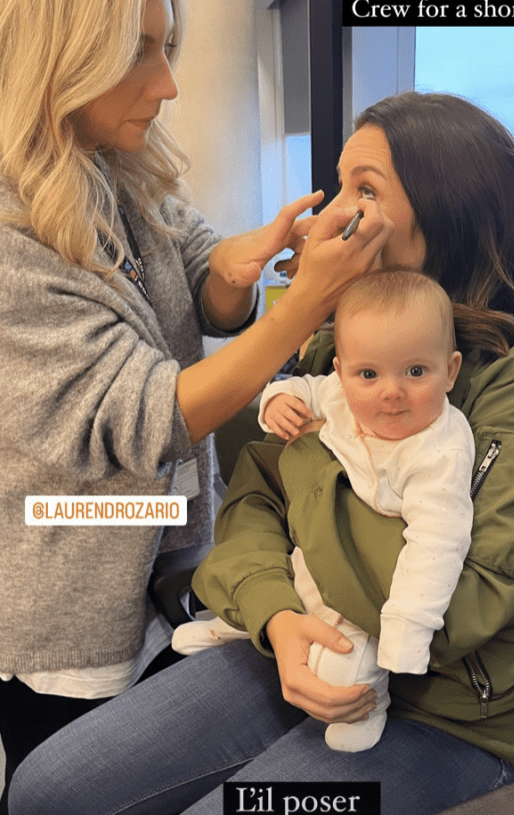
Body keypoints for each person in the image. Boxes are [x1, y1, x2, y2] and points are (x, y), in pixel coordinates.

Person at [0, 0, 391, 815]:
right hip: (56, 568)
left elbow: (186, 263)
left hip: (155, 550)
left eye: (167, 46)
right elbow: (140, 418)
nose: (168, 83)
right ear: (48, 47)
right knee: (69, 785)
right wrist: (302, 308)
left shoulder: (105, 156)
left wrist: (248, 262)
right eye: (138, 51)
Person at [9, 91, 514, 815]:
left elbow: (454, 610)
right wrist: (277, 618)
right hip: (298, 638)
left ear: (447, 210)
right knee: (46, 790)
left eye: (365, 191)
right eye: (340, 186)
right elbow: (253, 498)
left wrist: (313, 457)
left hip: (447, 714)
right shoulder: (338, 342)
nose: (325, 219)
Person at [172, 269, 475, 754]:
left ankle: (367, 707)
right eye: (368, 375)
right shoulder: (342, 391)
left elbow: (438, 545)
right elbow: (307, 388)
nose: (390, 392)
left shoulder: (439, 451)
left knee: (345, 667)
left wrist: (406, 633)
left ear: (450, 370)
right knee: (288, 584)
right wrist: (279, 401)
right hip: (309, 556)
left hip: (366, 598)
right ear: (344, 369)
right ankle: (242, 623)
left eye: (416, 372)